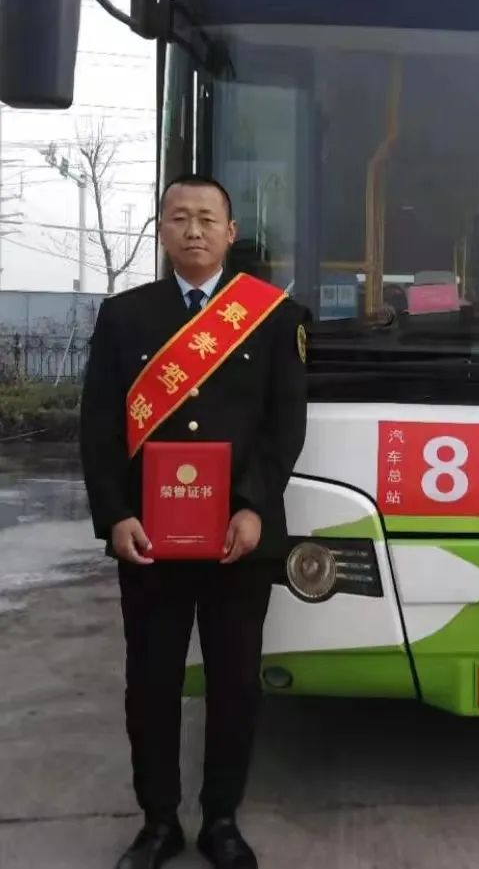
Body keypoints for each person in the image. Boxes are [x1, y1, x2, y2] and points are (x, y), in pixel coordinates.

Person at [80, 175, 310, 869]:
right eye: (180, 217)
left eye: (207, 218)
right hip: (149, 539)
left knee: (235, 683)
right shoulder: (124, 316)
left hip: (240, 536)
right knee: (151, 683)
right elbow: (98, 427)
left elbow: (285, 425)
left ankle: (221, 820)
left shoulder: (273, 316)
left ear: (230, 232)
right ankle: (158, 822)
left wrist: (254, 506)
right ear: (162, 229)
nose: (194, 230)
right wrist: (115, 515)